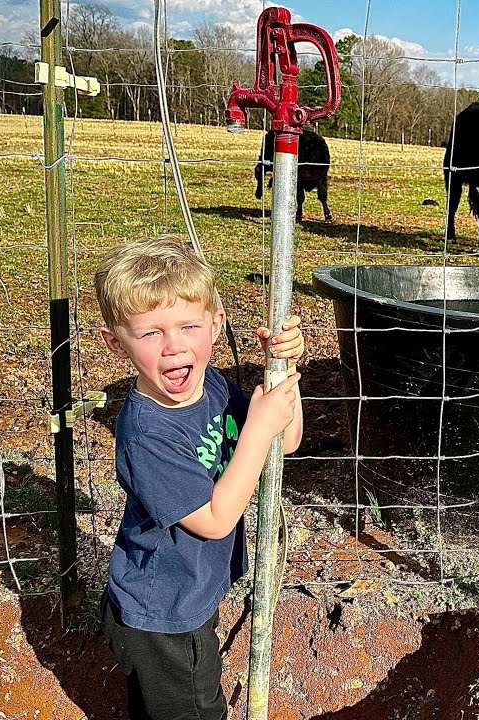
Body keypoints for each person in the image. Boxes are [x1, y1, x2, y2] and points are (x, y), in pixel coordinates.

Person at [93, 236, 304, 720]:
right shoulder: (146, 433)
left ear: (216, 323)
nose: (173, 347)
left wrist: (283, 367)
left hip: (187, 587)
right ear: (115, 341)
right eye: (149, 333)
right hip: (162, 614)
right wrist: (258, 425)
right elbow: (215, 518)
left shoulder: (208, 383)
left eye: (189, 326)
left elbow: (282, 442)